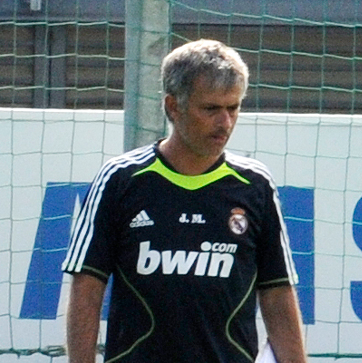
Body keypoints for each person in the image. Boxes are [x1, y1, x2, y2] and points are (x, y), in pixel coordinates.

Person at [61, 39, 307, 362]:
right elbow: (87, 288)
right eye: (211, 109)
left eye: (233, 108)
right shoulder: (120, 179)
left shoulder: (255, 185)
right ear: (173, 106)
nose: (225, 123)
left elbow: (277, 293)